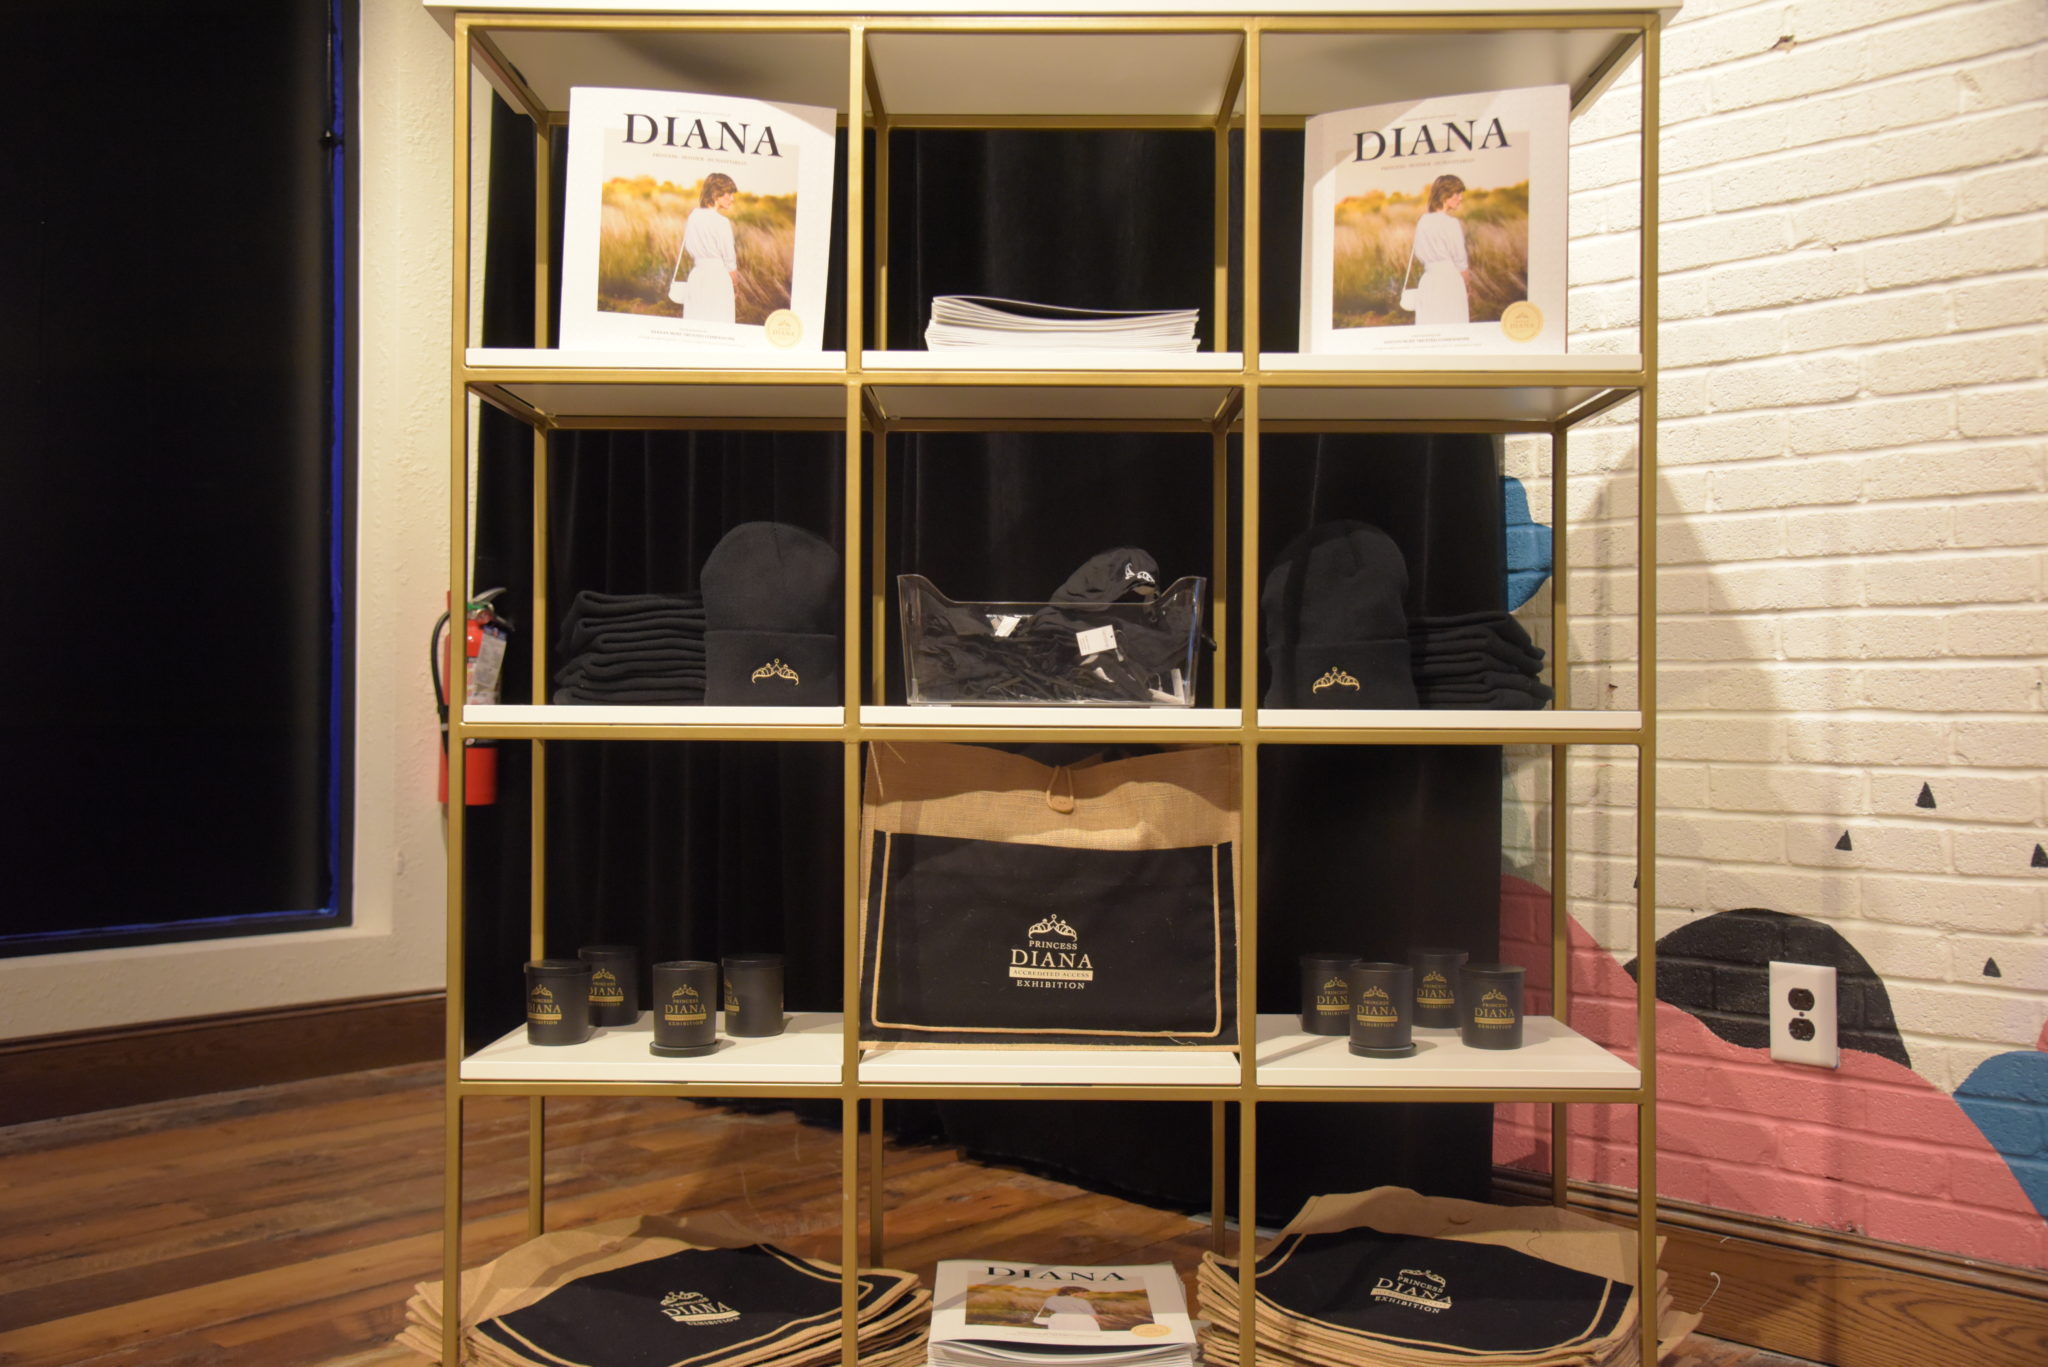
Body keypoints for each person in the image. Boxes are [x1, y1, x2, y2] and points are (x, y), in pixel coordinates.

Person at [675, 172, 740, 323]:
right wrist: (736, 285)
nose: (732, 198)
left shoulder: (693, 216)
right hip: (718, 279)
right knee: (719, 325)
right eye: (729, 193)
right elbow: (730, 261)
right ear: (716, 194)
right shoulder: (722, 222)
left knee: (695, 324)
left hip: (696, 277)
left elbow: (689, 246)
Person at [1409, 174, 1470, 326]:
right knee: (1453, 327)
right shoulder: (1451, 223)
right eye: (1457, 193)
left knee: (1430, 328)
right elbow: (1460, 261)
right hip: (1450, 281)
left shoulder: (1422, 221)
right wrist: (1467, 285)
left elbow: (1419, 253)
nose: (1461, 198)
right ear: (1445, 195)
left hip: (1428, 281)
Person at [1033, 1292, 1103, 1333]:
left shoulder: (1052, 1300)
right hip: (1083, 1325)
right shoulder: (1082, 1302)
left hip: (1058, 1322)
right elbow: (1095, 1317)